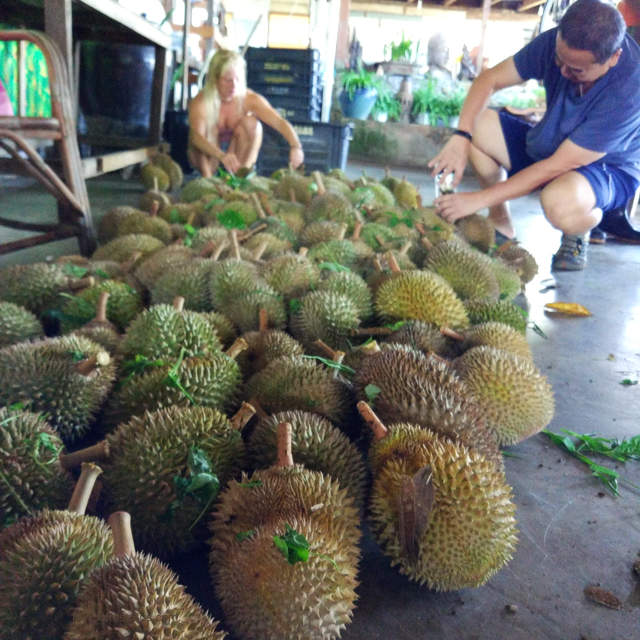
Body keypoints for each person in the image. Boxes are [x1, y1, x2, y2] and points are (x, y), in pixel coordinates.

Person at [429, 0, 640, 271]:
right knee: (477, 124)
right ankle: (501, 222)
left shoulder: (630, 90)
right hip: (556, 145)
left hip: (610, 168)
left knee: (559, 202)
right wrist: (460, 137)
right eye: (559, 61)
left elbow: (557, 166)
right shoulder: (556, 42)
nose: (563, 73)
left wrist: (475, 200)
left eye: (576, 70)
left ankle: (586, 225)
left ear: (613, 58)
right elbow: (489, 79)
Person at [188, 49, 304, 177]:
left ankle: (240, 177)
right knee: (207, 132)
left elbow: (278, 121)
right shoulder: (201, 101)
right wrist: (219, 158)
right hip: (210, 156)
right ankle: (208, 178)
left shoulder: (249, 99)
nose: (233, 86)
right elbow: (196, 138)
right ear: (215, 79)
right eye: (228, 80)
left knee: (253, 125)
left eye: (237, 79)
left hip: (237, 153)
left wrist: (296, 146)